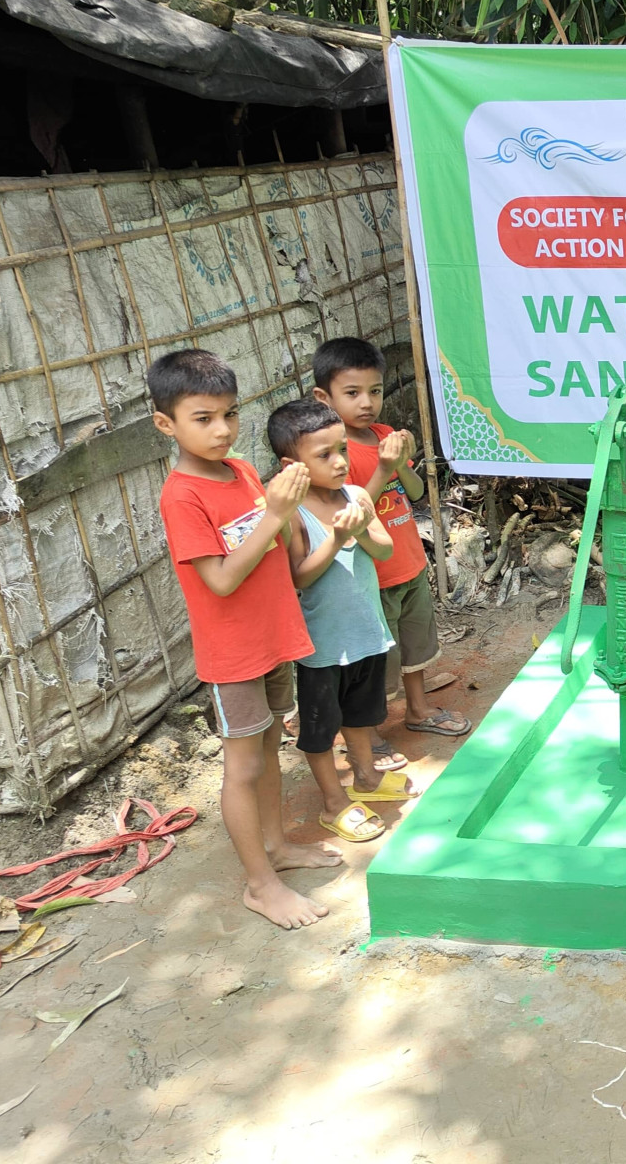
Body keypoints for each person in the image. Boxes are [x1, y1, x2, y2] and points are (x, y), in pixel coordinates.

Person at [150, 349, 332, 930]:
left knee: (270, 748)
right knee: (243, 768)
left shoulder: (244, 472)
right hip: (233, 654)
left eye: (229, 413)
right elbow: (223, 580)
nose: (222, 429)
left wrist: (287, 514)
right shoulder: (182, 496)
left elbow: (275, 550)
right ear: (166, 424)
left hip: (273, 637)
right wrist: (275, 514)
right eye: (203, 418)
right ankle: (260, 885)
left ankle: (275, 848)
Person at [268, 399, 419, 844]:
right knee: (320, 729)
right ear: (292, 466)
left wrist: (360, 530)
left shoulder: (358, 496)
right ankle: (334, 802)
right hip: (323, 646)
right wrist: (336, 538)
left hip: (367, 634)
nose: (339, 462)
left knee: (360, 713)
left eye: (342, 450)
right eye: (324, 455)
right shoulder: (294, 515)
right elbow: (299, 576)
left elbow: (385, 549)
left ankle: (366, 777)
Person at [312, 338, 469, 748]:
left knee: (416, 645)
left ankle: (418, 709)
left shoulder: (383, 435)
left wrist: (400, 464)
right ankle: (365, 732)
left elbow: (414, 493)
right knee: (378, 657)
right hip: (371, 577)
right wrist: (384, 468)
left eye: (375, 391)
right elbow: (353, 508)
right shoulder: (334, 454)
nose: (367, 402)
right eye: (352, 393)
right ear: (323, 397)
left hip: (409, 563)